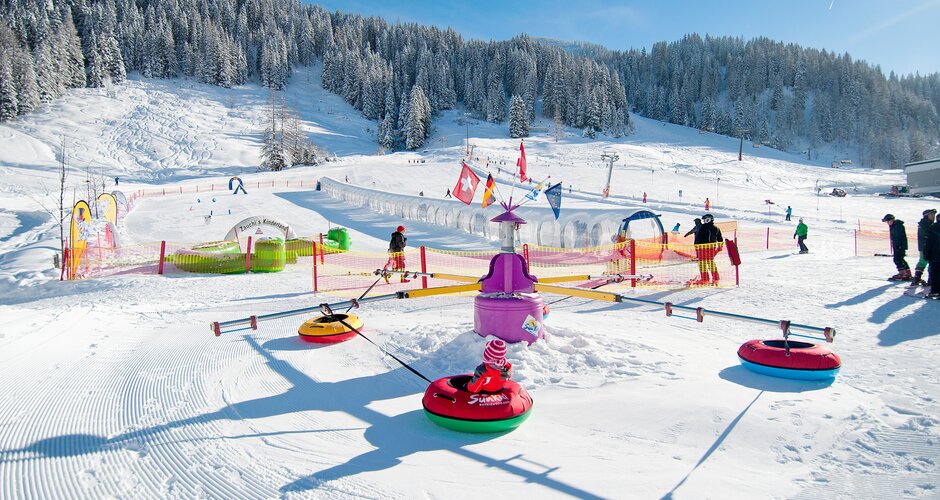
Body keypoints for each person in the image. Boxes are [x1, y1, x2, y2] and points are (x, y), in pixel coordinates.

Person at [693, 213, 723, 285]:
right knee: (711, 263)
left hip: (702, 248)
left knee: (702, 263)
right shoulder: (716, 228)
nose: (703, 221)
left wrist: (696, 245)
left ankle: (705, 279)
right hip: (712, 248)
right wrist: (719, 247)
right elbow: (720, 239)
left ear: (708, 219)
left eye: (704, 220)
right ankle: (716, 278)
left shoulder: (703, 227)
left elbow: (698, 237)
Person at [883, 214, 911, 281]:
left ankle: (903, 273)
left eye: (887, 221)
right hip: (897, 246)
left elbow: (899, 237)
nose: (887, 223)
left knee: (898, 259)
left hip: (899, 246)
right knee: (900, 259)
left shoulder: (897, 226)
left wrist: (899, 246)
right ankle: (906, 273)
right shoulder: (894, 226)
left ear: (891, 220)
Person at [912, 208, 936, 288]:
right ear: (926, 216)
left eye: (934, 215)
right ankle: (918, 279)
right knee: (924, 261)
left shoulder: (928, 223)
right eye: (931, 215)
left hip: (927, 246)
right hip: (925, 247)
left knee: (925, 262)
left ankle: (919, 279)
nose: (933, 216)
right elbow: (927, 236)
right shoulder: (925, 224)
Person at [924, 214, 940, 299]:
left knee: (935, 274)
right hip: (935, 254)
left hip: (935, 255)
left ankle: (935, 291)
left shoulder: (933, 228)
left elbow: (928, 243)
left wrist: (926, 253)